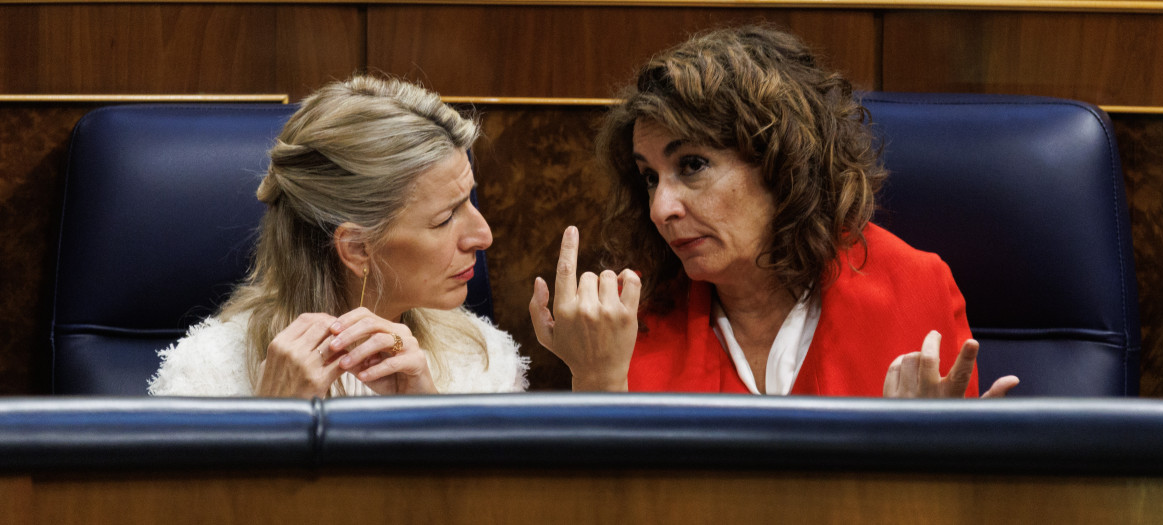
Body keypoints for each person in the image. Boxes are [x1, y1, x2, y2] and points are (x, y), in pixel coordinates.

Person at [529, 25, 1019, 397]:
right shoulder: (625, 322)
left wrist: (936, 459)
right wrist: (598, 383)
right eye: (650, 177)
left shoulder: (914, 289)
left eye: (693, 165)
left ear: (783, 165)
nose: (661, 208)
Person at [149, 75, 528, 397]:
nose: (483, 236)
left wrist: (429, 420)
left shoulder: (484, 363)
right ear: (357, 248)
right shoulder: (203, 379)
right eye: (446, 218)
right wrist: (268, 426)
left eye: (469, 201)